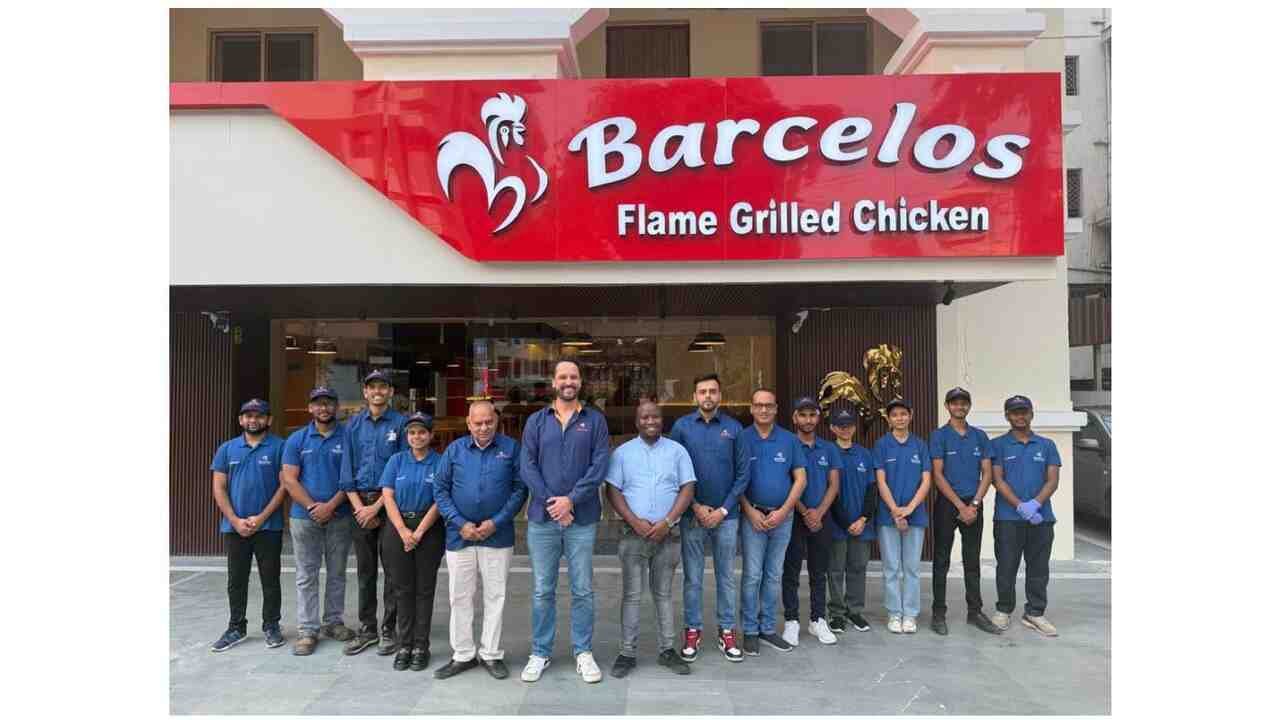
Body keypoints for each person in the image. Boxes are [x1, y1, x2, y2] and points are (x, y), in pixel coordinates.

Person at [519, 359, 610, 684]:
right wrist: (553, 503)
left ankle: (583, 652)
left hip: (581, 519)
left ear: (580, 382)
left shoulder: (595, 421)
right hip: (542, 520)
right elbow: (527, 465)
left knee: (582, 589)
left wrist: (571, 500)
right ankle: (540, 652)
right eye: (563, 377)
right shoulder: (536, 421)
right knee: (543, 589)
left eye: (573, 376)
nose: (568, 381)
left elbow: (600, 466)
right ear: (554, 382)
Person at [432, 400, 529, 681]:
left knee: (495, 596)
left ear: (496, 421)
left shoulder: (511, 449)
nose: (484, 427)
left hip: (497, 535)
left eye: (489, 422)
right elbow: (440, 489)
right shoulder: (454, 450)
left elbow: (520, 490)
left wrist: (495, 522)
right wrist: (460, 523)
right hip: (459, 535)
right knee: (459, 596)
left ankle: (491, 653)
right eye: (478, 423)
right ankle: (463, 654)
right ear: (468, 423)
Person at [605, 400, 697, 678]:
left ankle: (667, 650)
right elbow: (612, 490)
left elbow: (688, 488)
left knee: (664, 594)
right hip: (632, 534)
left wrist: (667, 522)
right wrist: (635, 522)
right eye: (644, 417)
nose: (650, 421)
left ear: (661, 420)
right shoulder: (622, 453)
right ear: (637, 422)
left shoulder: (677, 451)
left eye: (655, 416)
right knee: (632, 595)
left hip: (668, 534)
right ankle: (627, 652)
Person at [668, 373, 746, 663]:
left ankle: (727, 631)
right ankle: (693, 631)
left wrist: (723, 510)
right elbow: (674, 471)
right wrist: (695, 506)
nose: (708, 396)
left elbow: (743, 474)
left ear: (720, 396)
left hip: (727, 516)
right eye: (702, 391)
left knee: (726, 577)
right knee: (693, 578)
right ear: (694, 396)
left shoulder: (734, 428)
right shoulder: (682, 427)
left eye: (713, 391)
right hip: (693, 515)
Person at [280, 387, 356, 656]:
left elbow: (352, 477)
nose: (323, 408)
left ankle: (333, 622)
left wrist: (331, 505)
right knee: (306, 575)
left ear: (337, 407)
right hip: (304, 518)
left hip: (340, 515)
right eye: (318, 404)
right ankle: (307, 630)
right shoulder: (297, 439)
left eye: (328, 403)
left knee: (337, 572)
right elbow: (289, 479)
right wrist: (313, 506)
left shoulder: (348, 437)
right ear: (310, 408)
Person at [339, 370, 409, 656]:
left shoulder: (402, 424)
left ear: (390, 392)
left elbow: (403, 469)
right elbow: (346, 472)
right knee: (365, 572)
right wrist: (360, 508)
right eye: (372, 387)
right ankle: (367, 628)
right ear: (365, 392)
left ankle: (389, 629)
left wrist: (377, 507)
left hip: (390, 505)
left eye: (383, 387)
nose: (377, 391)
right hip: (359, 505)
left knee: (393, 570)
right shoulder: (353, 426)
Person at [209, 399, 288, 652]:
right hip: (235, 528)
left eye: (259, 416)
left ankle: (271, 625)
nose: (253, 420)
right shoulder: (227, 449)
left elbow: (284, 485)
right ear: (241, 420)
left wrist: (262, 517)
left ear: (269, 420)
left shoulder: (280, 447)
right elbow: (219, 488)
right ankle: (236, 627)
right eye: (248, 416)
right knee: (236, 579)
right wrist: (235, 520)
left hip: (269, 526)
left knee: (270, 578)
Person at [736, 388, 807, 656]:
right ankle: (750, 630)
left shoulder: (789, 440)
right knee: (752, 575)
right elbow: (736, 480)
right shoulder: (742, 438)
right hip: (752, 517)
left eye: (768, 405)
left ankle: (767, 628)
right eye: (758, 405)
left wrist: (784, 511)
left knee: (773, 575)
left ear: (776, 409)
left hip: (782, 518)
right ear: (752, 409)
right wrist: (749, 511)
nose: (763, 410)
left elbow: (800, 479)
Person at [928, 387, 1001, 636]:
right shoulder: (939, 436)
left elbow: (987, 473)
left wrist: (975, 504)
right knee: (941, 560)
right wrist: (960, 506)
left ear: (969, 406)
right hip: (948, 504)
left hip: (974, 503)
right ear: (947, 406)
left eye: (963, 403)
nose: (959, 407)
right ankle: (938, 613)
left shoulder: (979, 436)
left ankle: (975, 612)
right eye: (954, 403)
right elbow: (937, 474)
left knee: (972, 560)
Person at [379, 412, 446, 671]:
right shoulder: (396, 460)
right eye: (412, 433)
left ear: (431, 435)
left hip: (428, 529)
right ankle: (404, 645)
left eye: (422, 432)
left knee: (424, 590)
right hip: (398, 528)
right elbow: (388, 495)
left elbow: (440, 500)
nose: (417, 437)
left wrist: (418, 533)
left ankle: (420, 646)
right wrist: (403, 531)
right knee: (402, 589)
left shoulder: (440, 462)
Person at [990, 395, 1062, 637]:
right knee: (1006, 566)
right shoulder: (998, 445)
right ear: (1007, 416)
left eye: (1024, 412)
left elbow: (1052, 480)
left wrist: (1035, 504)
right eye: (1014, 412)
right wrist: (1020, 506)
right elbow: (997, 480)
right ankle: (1003, 610)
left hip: (1042, 519)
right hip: (1008, 518)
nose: (1020, 416)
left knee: (1039, 568)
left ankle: (1035, 612)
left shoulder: (1047, 445)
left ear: (1031, 414)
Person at [781, 397, 842, 646]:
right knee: (791, 571)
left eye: (812, 415)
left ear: (818, 418)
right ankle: (791, 621)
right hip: (793, 517)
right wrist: (805, 512)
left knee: (819, 571)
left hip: (821, 518)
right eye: (803, 415)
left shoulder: (829, 448)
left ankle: (818, 619)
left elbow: (834, 485)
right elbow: (786, 482)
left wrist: (818, 513)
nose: (808, 420)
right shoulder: (787, 445)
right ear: (795, 417)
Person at [873, 399, 930, 635]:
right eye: (895, 414)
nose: (900, 418)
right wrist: (896, 510)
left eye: (903, 414)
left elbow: (926, 480)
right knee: (891, 567)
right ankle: (894, 613)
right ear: (889, 418)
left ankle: (910, 614)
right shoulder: (882, 445)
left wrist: (910, 508)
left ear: (911, 415)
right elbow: (881, 481)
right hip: (888, 517)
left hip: (915, 516)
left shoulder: (920, 445)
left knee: (912, 567)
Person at [826, 409, 878, 634]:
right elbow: (829, 490)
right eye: (840, 425)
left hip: (861, 524)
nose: (845, 429)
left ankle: (854, 610)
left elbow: (871, 490)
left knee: (858, 567)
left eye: (849, 425)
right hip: (837, 524)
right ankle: (836, 613)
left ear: (855, 427)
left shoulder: (865, 454)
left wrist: (863, 519)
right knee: (835, 570)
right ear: (832, 428)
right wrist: (846, 522)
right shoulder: (828, 452)